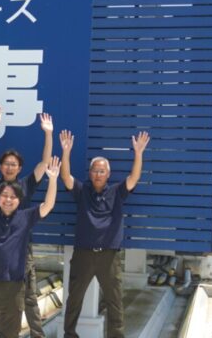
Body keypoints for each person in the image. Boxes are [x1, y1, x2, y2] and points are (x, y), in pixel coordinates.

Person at [0, 109, 54, 338]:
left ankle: (36, 335)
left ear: (20, 168)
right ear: (0, 167)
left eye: (14, 164)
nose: (9, 167)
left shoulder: (26, 185)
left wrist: (48, 134)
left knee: (28, 296)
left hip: (21, 249)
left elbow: (45, 163)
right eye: (6, 164)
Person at [61, 130, 150, 338]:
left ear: (108, 174)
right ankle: (69, 334)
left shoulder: (117, 192)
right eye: (95, 171)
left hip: (109, 257)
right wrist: (66, 152)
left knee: (114, 300)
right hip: (83, 254)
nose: (98, 174)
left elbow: (134, 177)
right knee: (74, 299)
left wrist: (138, 153)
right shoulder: (82, 191)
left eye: (102, 171)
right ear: (90, 173)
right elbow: (65, 177)